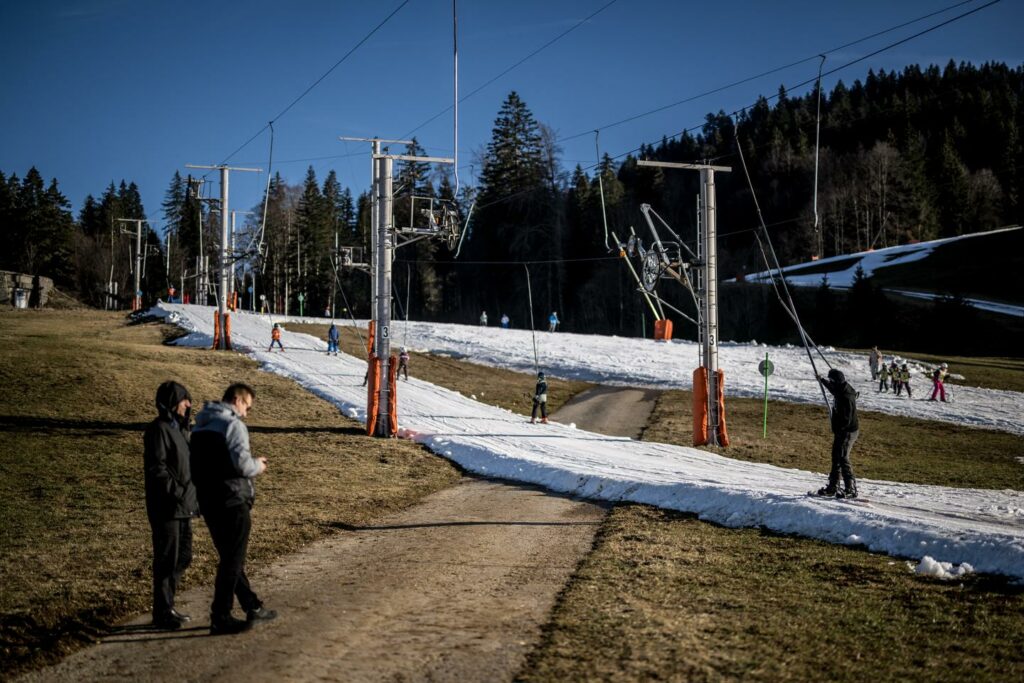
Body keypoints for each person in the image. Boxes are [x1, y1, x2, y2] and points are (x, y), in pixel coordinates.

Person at [191, 384, 276, 635]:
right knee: (232, 559)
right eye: (247, 407)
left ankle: (252, 606)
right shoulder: (233, 425)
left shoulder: (200, 426)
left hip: (208, 500)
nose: (246, 414)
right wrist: (258, 465)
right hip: (232, 499)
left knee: (229, 556)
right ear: (237, 400)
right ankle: (221, 614)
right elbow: (242, 465)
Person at [144, 381, 199, 629]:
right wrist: (177, 492)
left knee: (183, 557)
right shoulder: (159, 429)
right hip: (167, 506)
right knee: (167, 560)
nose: (188, 404)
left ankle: (167, 605)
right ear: (171, 402)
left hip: (183, 505)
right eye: (184, 400)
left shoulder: (181, 429)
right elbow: (158, 469)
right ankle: (162, 612)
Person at [815, 369, 859, 499]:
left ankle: (850, 489)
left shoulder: (846, 397)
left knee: (843, 457)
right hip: (841, 431)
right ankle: (832, 487)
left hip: (848, 431)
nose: (830, 383)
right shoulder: (840, 388)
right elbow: (834, 390)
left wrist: (839, 430)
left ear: (836, 381)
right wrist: (822, 381)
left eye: (831, 381)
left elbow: (847, 419)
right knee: (836, 456)